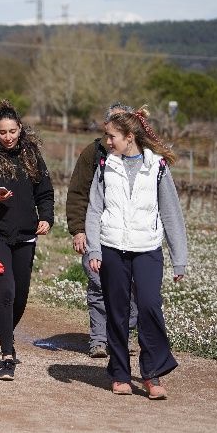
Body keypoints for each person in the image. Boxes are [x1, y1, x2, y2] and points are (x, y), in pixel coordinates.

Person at [86, 107, 187, 400]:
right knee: (117, 312)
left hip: (147, 249)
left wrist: (179, 257)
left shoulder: (158, 167)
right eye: (106, 136)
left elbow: (171, 214)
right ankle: (120, 373)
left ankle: (152, 374)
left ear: (129, 137)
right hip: (112, 247)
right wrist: (94, 248)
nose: (107, 141)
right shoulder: (105, 166)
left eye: (112, 136)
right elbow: (94, 210)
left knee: (150, 307)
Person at [0, 100, 54, 381]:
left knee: (20, 296)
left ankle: (5, 333)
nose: (8, 137)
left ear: (20, 129)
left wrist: (46, 217)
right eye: (3, 132)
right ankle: (7, 354)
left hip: (25, 236)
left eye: (13, 131)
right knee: (6, 290)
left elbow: (45, 192)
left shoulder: (32, 155)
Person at [66, 102, 138, 358]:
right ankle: (98, 339)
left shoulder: (143, 157)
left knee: (131, 289)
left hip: (131, 237)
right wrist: (78, 230)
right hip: (96, 231)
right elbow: (77, 194)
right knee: (98, 284)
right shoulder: (93, 153)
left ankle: (120, 336)